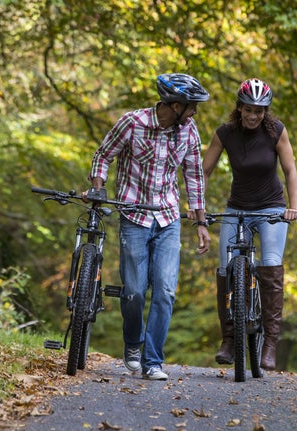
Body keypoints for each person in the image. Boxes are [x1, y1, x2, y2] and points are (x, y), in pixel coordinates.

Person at [85, 73, 211, 381]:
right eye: (192, 107)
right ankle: (132, 343)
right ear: (176, 105)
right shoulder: (132, 123)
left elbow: (194, 175)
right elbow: (103, 156)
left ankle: (153, 360)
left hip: (168, 218)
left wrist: (200, 221)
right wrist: (98, 188)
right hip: (134, 217)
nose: (195, 113)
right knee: (135, 292)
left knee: (166, 291)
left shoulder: (189, 131)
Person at [199, 78, 297, 371]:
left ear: (266, 110)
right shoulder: (225, 133)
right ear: (239, 108)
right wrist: (199, 209)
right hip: (237, 208)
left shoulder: (276, 131)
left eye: (260, 110)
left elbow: (290, 170)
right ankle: (229, 339)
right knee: (225, 267)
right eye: (249, 109)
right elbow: (204, 171)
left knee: (270, 264)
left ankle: (270, 343)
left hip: (272, 208)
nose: (254, 115)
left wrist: (294, 207)